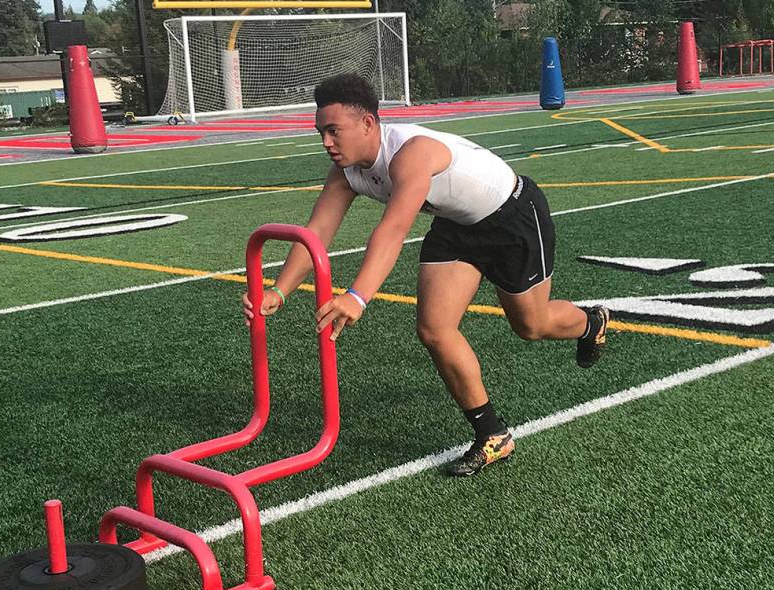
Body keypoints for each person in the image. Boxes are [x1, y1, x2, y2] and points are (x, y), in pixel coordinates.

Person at [243, 73, 610, 477]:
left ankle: (591, 322)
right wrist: (279, 289)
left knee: (531, 325)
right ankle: (493, 434)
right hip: (456, 227)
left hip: (513, 217)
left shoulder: (410, 153)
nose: (326, 142)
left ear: (367, 123)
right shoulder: (345, 172)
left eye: (334, 131)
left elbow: (394, 228)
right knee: (434, 329)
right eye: (321, 133)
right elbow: (317, 232)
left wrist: (358, 296)